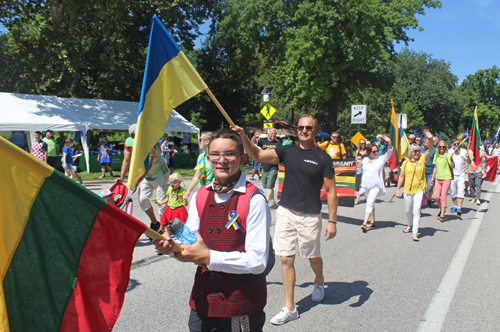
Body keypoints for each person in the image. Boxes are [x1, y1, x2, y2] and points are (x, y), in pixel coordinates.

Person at [154, 129, 271, 331]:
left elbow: (258, 261)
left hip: (239, 303)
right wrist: (171, 247)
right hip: (203, 298)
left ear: (242, 158)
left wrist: (209, 257)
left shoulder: (255, 200)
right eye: (215, 154)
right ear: (208, 159)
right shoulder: (202, 194)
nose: (222, 160)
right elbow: (190, 241)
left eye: (229, 154)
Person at [235, 114, 338, 325]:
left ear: (315, 131)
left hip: (310, 215)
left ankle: (319, 281)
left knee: (312, 256)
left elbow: (331, 190)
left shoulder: (323, 158)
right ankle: (290, 307)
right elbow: (257, 154)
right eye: (301, 127)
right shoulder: (287, 151)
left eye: (309, 128)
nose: (304, 131)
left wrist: (332, 221)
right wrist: (243, 137)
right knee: (285, 258)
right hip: (286, 212)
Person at [116, 124, 168, 233]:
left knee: (161, 203)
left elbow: (148, 166)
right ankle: (155, 223)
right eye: (133, 136)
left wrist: (137, 181)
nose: (135, 138)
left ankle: (163, 228)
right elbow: (126, 160)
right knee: (143, 200)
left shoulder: (150, 142)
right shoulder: (129, 142)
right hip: (146, 176)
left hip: (160, 175)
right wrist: (121, 178)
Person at [396, 143, 433, 241]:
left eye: (419, 151)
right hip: (408, 190)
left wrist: (430, 139)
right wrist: (397, 189)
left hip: (419, 190)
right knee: (408, 210)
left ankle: (415, 233)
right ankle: (409, 225)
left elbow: (430, 149)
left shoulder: (422, 160)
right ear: (411, 152)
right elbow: (401, 176)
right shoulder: (406, 163)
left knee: (416, 211)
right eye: (415, 151)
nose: (417, 153)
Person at [358, 135, 393, 231]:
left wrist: (389, 142)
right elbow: (358, 172)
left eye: (377, 150)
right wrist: (357, 164)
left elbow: (389, 152)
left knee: (369, 203)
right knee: (370, 203)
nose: (376, 152)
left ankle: (364, 223)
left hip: (376, 186)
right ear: (369, 152)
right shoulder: (365, 160)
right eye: (373, 151)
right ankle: (372, 221)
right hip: (365, 186)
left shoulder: (381, 159)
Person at [251, 128, 282, 208]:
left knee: (270, 186)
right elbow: (252, 143)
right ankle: (273, 201)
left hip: (273, 167)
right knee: (266, 185)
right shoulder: (263, 141)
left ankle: (266, 202)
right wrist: (255, 137)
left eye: (274, 133)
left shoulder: (278, 144)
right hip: (264, 167)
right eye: (271, 133)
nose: (273, 135)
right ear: (268, 134)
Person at [186, 132, 215, 198]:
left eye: (201, 140)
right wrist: (188, 191)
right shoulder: (201, 156)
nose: (199, 142)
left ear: (207, 141)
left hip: (214, 191)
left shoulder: (216, 156)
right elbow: (197, 176)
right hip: (203, 191)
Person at [431, 140, 454, 222]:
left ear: (445, 148)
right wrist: (432, 178)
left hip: (446, 178)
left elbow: (452, 166)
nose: (441, 148)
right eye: (440, 147)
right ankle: (442, 208)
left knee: (443, 196)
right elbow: (435, 167)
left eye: (443, 147)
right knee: (436, 196)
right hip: (438, 178)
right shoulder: (436, 156)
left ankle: (442, 214)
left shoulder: (447, 155)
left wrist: (451, 160)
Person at [448, 138, 469, 216]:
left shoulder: (463, 151)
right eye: (455, 144)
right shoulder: (449, 151)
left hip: (461, 174)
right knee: (453, 191)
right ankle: (455, 206)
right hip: (452, 174)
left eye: (458, 144)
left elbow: (468, 162)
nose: (457, 145)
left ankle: (459, 207)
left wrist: (468, 157)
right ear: (452, 144)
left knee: (461, 190)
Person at [421, 136, 436, 207]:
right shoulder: (419, 150)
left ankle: (429, 199)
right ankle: (422, 201)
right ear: (423, 143)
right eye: (427, 143)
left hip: (430, 172)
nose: (428, 144)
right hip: (422, 172)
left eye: (429, 143)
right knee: (422, 188)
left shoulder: (433, 151)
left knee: (430, 187)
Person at [355, 139, 369, 205]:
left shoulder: (367, 151)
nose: (363, 145)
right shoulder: (357, 151)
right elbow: (356, 160)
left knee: (365, 183)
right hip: (359, 169)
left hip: (366, 169)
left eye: (364, 143)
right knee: (358, 183)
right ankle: (358, 198)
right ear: (359, 144)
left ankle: (366, 197)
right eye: (362, 143)